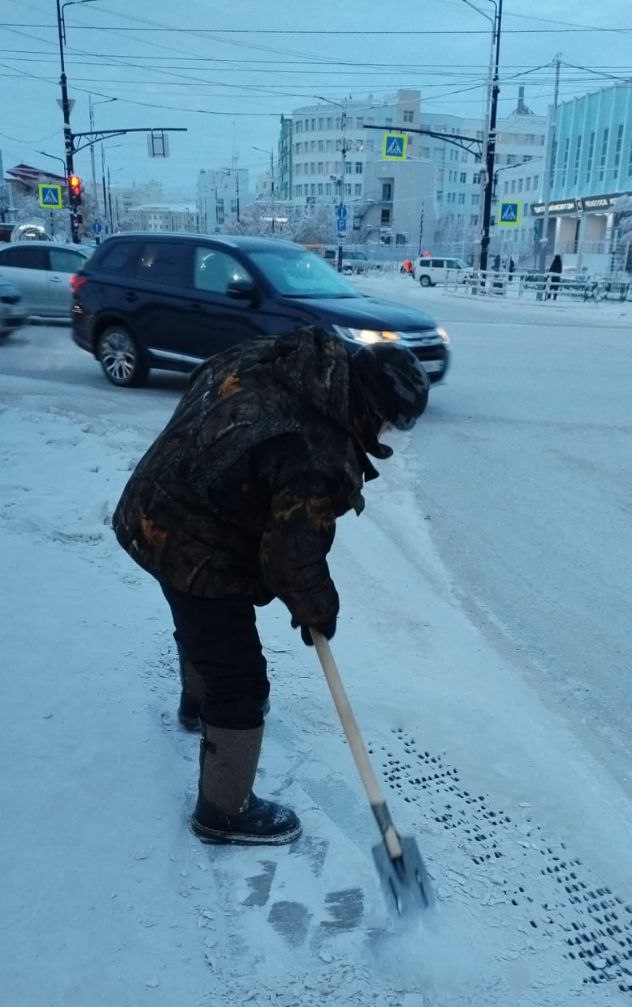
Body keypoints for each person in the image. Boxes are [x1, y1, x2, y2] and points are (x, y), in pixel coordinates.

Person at [112, 326, 430, 847]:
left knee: (206, 626)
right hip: (192, 536)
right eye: (391, 424)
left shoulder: (282, 358)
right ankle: (224, 810)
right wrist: (317, 610)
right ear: (373, 406)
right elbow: (291, 555)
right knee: (239, 681)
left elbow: (204, 385)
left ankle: (197, 707)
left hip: (158, 496)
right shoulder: (317, 446)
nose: (388, 436)